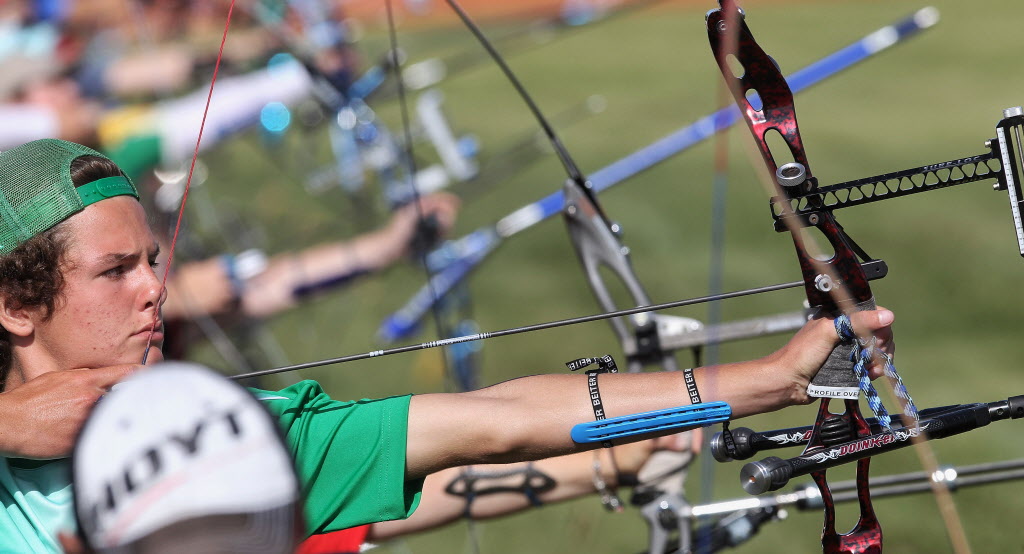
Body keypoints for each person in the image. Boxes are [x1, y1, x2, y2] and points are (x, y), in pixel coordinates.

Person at [0, 139, 895, 552]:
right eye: (116, 270)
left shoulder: (225, 442)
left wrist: (771, 380)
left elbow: (496, 421)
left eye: (153, 260)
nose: (158, 287)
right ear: (16, 304)